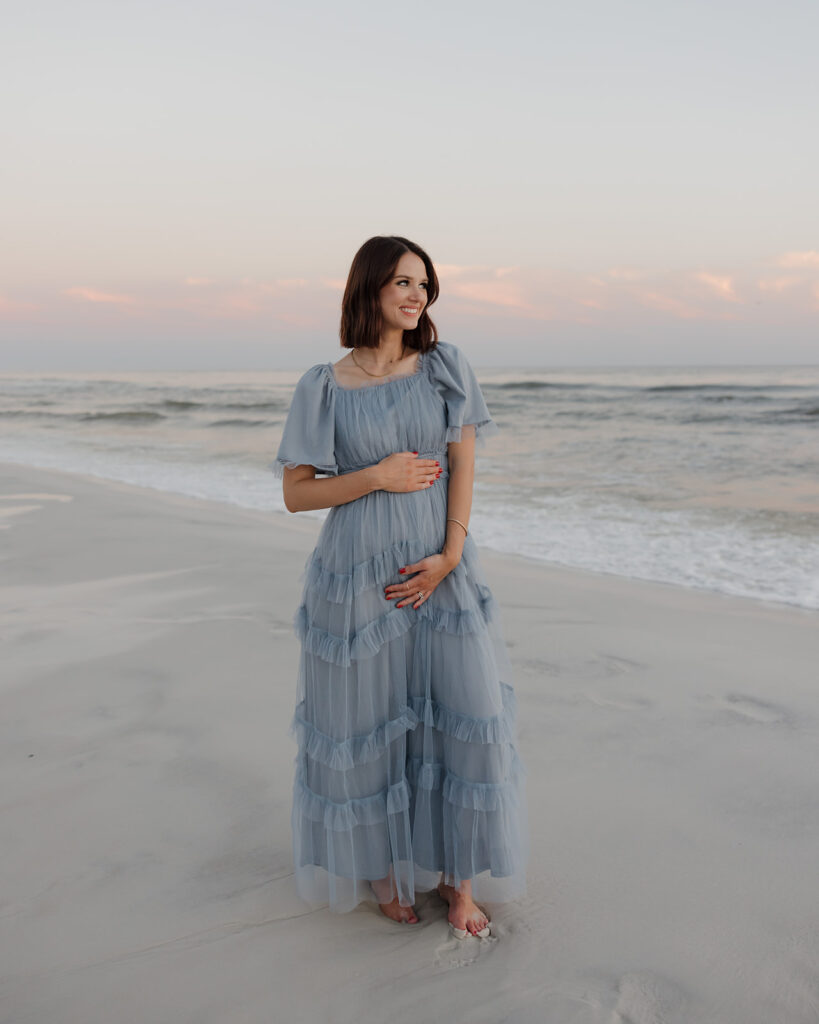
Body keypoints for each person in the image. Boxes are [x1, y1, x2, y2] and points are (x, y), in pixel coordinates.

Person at [271, 235, 528, 938]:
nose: (417, 296)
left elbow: (463, 461)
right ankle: (382, 872)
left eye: (423, 284)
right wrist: (375, 478)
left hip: (438, 570)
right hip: (356, 576)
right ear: (370, 290)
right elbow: (296, 494)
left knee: (463, 717)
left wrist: (450, 552)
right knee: (364, 725)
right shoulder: (323, 385)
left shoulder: (444, 366)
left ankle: (460, 881)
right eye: (402, 283)